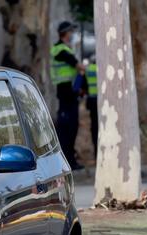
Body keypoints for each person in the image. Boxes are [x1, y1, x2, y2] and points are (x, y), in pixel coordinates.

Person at [51, 21, 86, 170]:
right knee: (67, 128)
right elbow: (77, 65)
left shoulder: (65, 49)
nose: (73, 35)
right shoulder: (60, 49)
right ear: (66, 33)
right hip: (65, 93)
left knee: (71, 127)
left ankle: (70, 159)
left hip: (70, 93)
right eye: (71, 32)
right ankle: (67, 161)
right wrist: (84, 68)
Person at [84, 55, 99, 159]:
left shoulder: (88, 70)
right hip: (101, 102)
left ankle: (96, 153)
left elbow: (83, 87)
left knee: (95, 128)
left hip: (92, 102)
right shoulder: (102, 68)